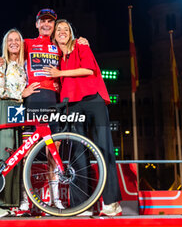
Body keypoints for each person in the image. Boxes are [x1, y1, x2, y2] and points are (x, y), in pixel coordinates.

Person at [0, 9, 67, 213]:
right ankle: (25, 199)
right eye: (42, 21)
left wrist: (82, 41)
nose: (46, 24)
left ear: (53, 25)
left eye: (50, 22)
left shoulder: (58, 46)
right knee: (26, 152)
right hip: (32, 100)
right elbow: (10, 50)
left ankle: (55, 199)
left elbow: (71, 51)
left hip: (53, 101)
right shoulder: (28, 43)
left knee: (54, 150)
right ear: (36, 24)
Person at [43, 19, 123, 216]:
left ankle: (112, 203)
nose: (62, 31)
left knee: (104, 148)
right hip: (72, 105)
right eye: (58, 29)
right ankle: (82, 205)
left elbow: (88, 70)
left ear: (71, 32)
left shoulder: (80, 45)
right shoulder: (56, 57)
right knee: (77, 152)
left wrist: (60, 72)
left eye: (66, 29)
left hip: (93, 100)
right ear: (54, 36)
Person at [0, 29, 38, 218]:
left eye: (17, 40)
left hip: (17, 110)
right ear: (5, 44)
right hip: (3, 107)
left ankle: (10, 204)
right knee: (2, 154)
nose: (14, 43)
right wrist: (22, 93)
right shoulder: (1, 62)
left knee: (14, 156)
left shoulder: (24, 64)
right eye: (10, 40)